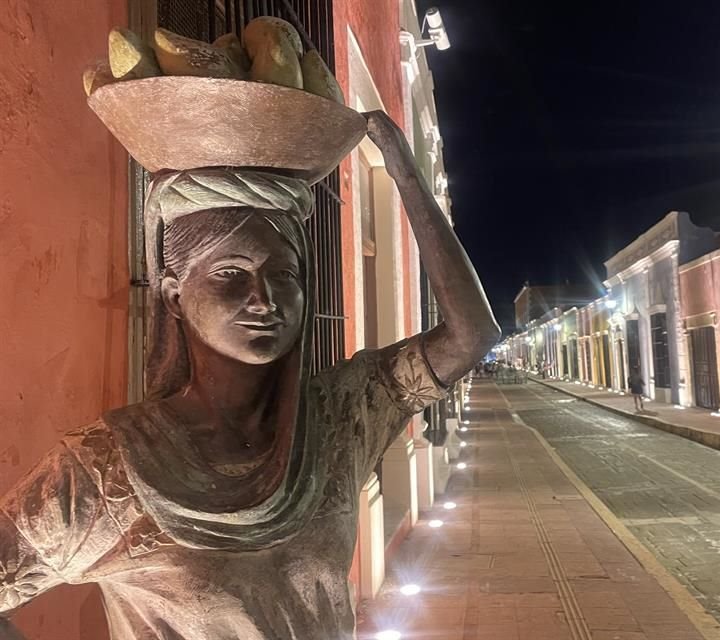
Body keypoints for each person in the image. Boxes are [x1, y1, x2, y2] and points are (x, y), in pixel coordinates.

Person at [0, 102, 499, 638]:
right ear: (173, 295)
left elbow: (470, 336)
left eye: (283, 273)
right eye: (230, 273)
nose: (263, 298)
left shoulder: (339, 419)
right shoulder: (104, 471)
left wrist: (405, 172)